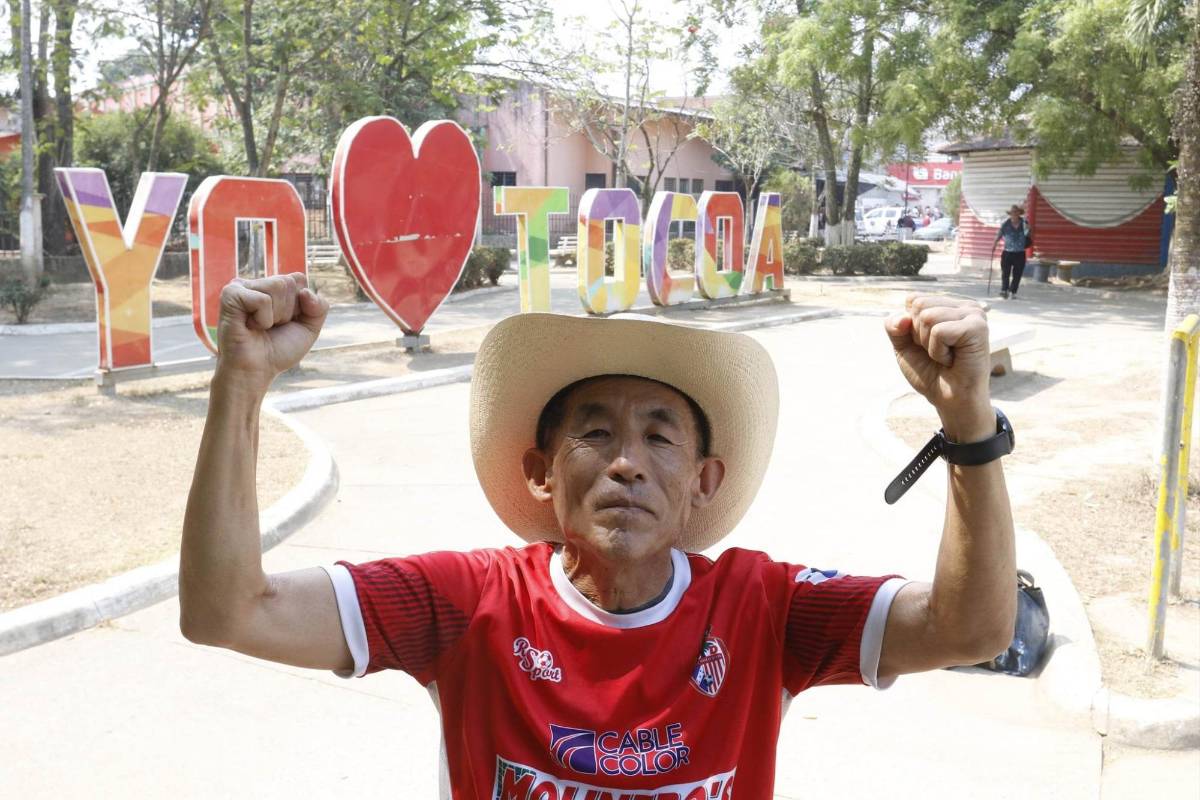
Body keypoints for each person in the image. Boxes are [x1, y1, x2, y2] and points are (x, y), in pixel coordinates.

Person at [180, 274, 1016, 797]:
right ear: (542, 474)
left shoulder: (764, 609)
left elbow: (972, 628)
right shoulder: (466, 604)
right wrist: (241, 385)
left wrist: (967, 424)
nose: (627, 464)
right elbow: (228, 611)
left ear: (702, 483)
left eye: (660, 437)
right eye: (594, 434)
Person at [995, 204, 1032, 299]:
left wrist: (1028, 228)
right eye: (1012, 212)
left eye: (1016, 212)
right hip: (1007, 252)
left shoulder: (1024, 223)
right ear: (1010, 214)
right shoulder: (1005, 224)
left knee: (1017, 274)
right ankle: (1004, 290)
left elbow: (1028, 234)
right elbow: (999, 234)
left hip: (1019, 252)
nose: (1014, 214)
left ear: (1019, 213)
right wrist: (994, 244)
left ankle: (1013, 291)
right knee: (1005, 273)